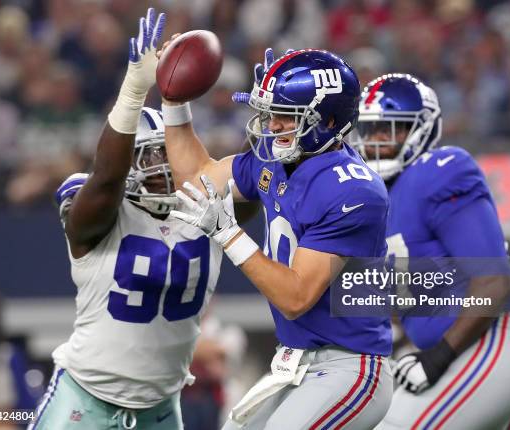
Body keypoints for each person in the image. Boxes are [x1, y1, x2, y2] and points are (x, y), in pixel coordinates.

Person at [160, 46, 393, 429]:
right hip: (296, 364)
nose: (271, 126)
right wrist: (173, 104)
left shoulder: (353, 190)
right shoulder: (276, 158)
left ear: (328, 120)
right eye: (270, 114)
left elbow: (295, 297)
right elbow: (198, 179)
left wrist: (228, 233)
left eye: (285, 115)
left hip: (350, 366)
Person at [28, 9, 223, 430]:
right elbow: (106, 178)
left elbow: (250, 184)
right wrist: (135, 89)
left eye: (164, 150)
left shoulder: (206, 205)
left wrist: (176, 100)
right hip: (86, 402)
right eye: (147, 154)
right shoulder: (99, 217)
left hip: (162, 406)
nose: (161, 162)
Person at [352, 73, 510, 430]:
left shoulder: (438, 172)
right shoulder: (376, 200)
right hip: (464, 352)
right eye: (370, 130)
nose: (377, 140)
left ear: (421, 130)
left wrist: (437, 357)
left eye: (390, 129)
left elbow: (493, 281)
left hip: (497, 339)